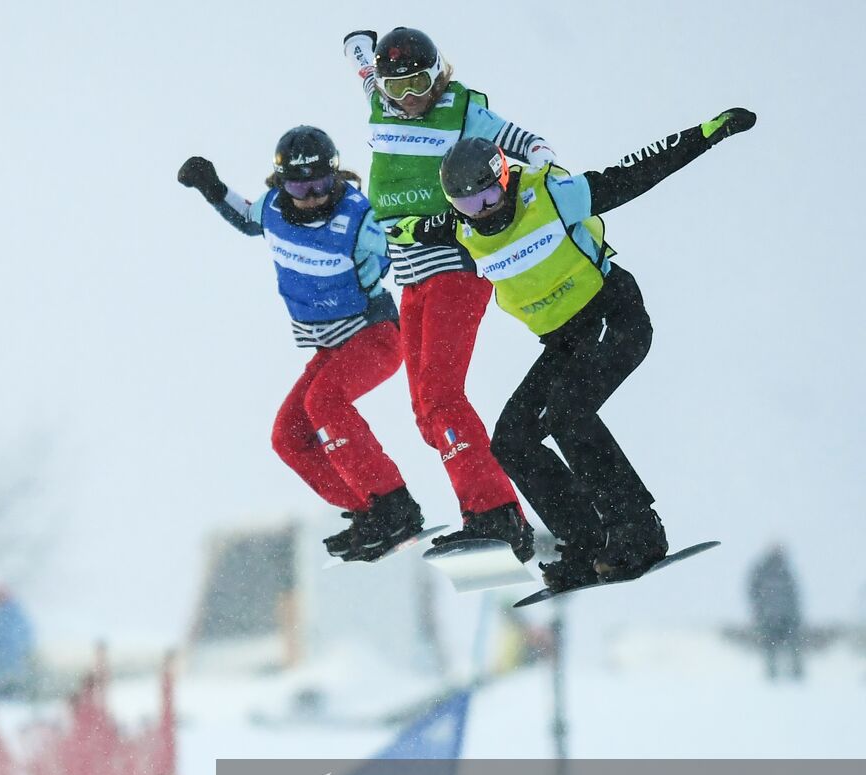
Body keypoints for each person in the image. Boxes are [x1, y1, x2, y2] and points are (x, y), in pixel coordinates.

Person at [390, 108, 756, 590]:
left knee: (568, 412)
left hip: (613, 317)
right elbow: (418, 228)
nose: (484, 209)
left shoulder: (551, 196)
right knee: (513, 440)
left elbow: (636, 173)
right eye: (469, 204)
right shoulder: (462, 226)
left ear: (504, 174)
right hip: (564, 342)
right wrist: (389, 233)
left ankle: (638, 533)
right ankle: (585, 546)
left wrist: (707, 134)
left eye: (489, 193)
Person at [339, 27, 558, 561]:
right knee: (424, 411)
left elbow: (528, 144)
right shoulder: (382, 101)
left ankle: (497, 515)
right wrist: (357, 46)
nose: (411, 98)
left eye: (420, 83)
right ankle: (488, 511)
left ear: (439, 75)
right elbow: (366, 73)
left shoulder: (463, 112)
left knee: (441, 396)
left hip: (455, 268)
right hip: (411, 276)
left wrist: (546, 174)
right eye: (400, 89)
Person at [178, 126, 423, 562]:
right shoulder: (273, 209)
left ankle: (394, 504)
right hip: (331, 348)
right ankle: (368, 509)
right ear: (281, 184)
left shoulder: (359, 217)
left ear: (335, 177)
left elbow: (405, 243)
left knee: (324, 402)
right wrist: (212, 188)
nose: (310, 196)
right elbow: (246, 218)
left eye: (320, 184)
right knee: (288, 436)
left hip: (375, 336)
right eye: (298, 185)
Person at [748, 544, 804, 681]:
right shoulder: (770, 571)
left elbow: (793, 595)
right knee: (776, 647)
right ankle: (776, 675)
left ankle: (793, 674)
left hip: (777, 616)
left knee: (785, 646)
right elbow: (754, 592)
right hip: (773, 616)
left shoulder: (782, 571)